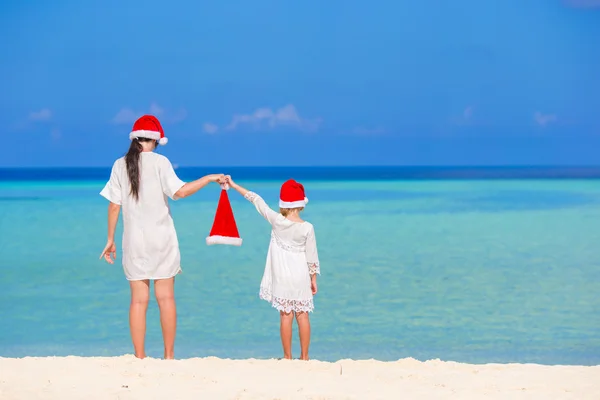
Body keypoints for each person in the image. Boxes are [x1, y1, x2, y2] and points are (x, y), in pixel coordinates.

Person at [98, 114, 225, 360]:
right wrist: (209, 178)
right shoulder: (161, 163)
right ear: (156, 141)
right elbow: (180, 192)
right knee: (165, 298)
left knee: (138, 302)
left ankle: (140, 357)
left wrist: (110, 239)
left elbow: (114, 206)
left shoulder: (119, 165)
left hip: (134, 241)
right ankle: (168, 356)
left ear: (135, 139)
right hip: (163, 239)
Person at [226, 176, 320, 360]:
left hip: (283, 277)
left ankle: (287, 357)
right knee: (303, 315)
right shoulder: (308, 228)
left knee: (286, 316)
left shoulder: (277, 220)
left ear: (283, 203)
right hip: (301, 276)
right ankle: (305, 357)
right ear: (301, 204)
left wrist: (234, 185)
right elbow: (312, 256)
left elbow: (256, 200)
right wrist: (313, 278)